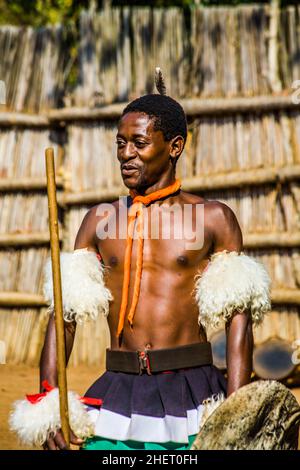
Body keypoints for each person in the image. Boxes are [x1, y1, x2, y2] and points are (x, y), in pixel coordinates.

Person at [10, 85, 271, 450]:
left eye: (139, 143)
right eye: (120, 143)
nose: (125, 155)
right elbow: (63, 318)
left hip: (192, 393)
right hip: (118, 389)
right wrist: (50, 401)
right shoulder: (100, 220)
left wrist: (239, 411)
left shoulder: (212, 218)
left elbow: (238, 322)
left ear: (174, 147)